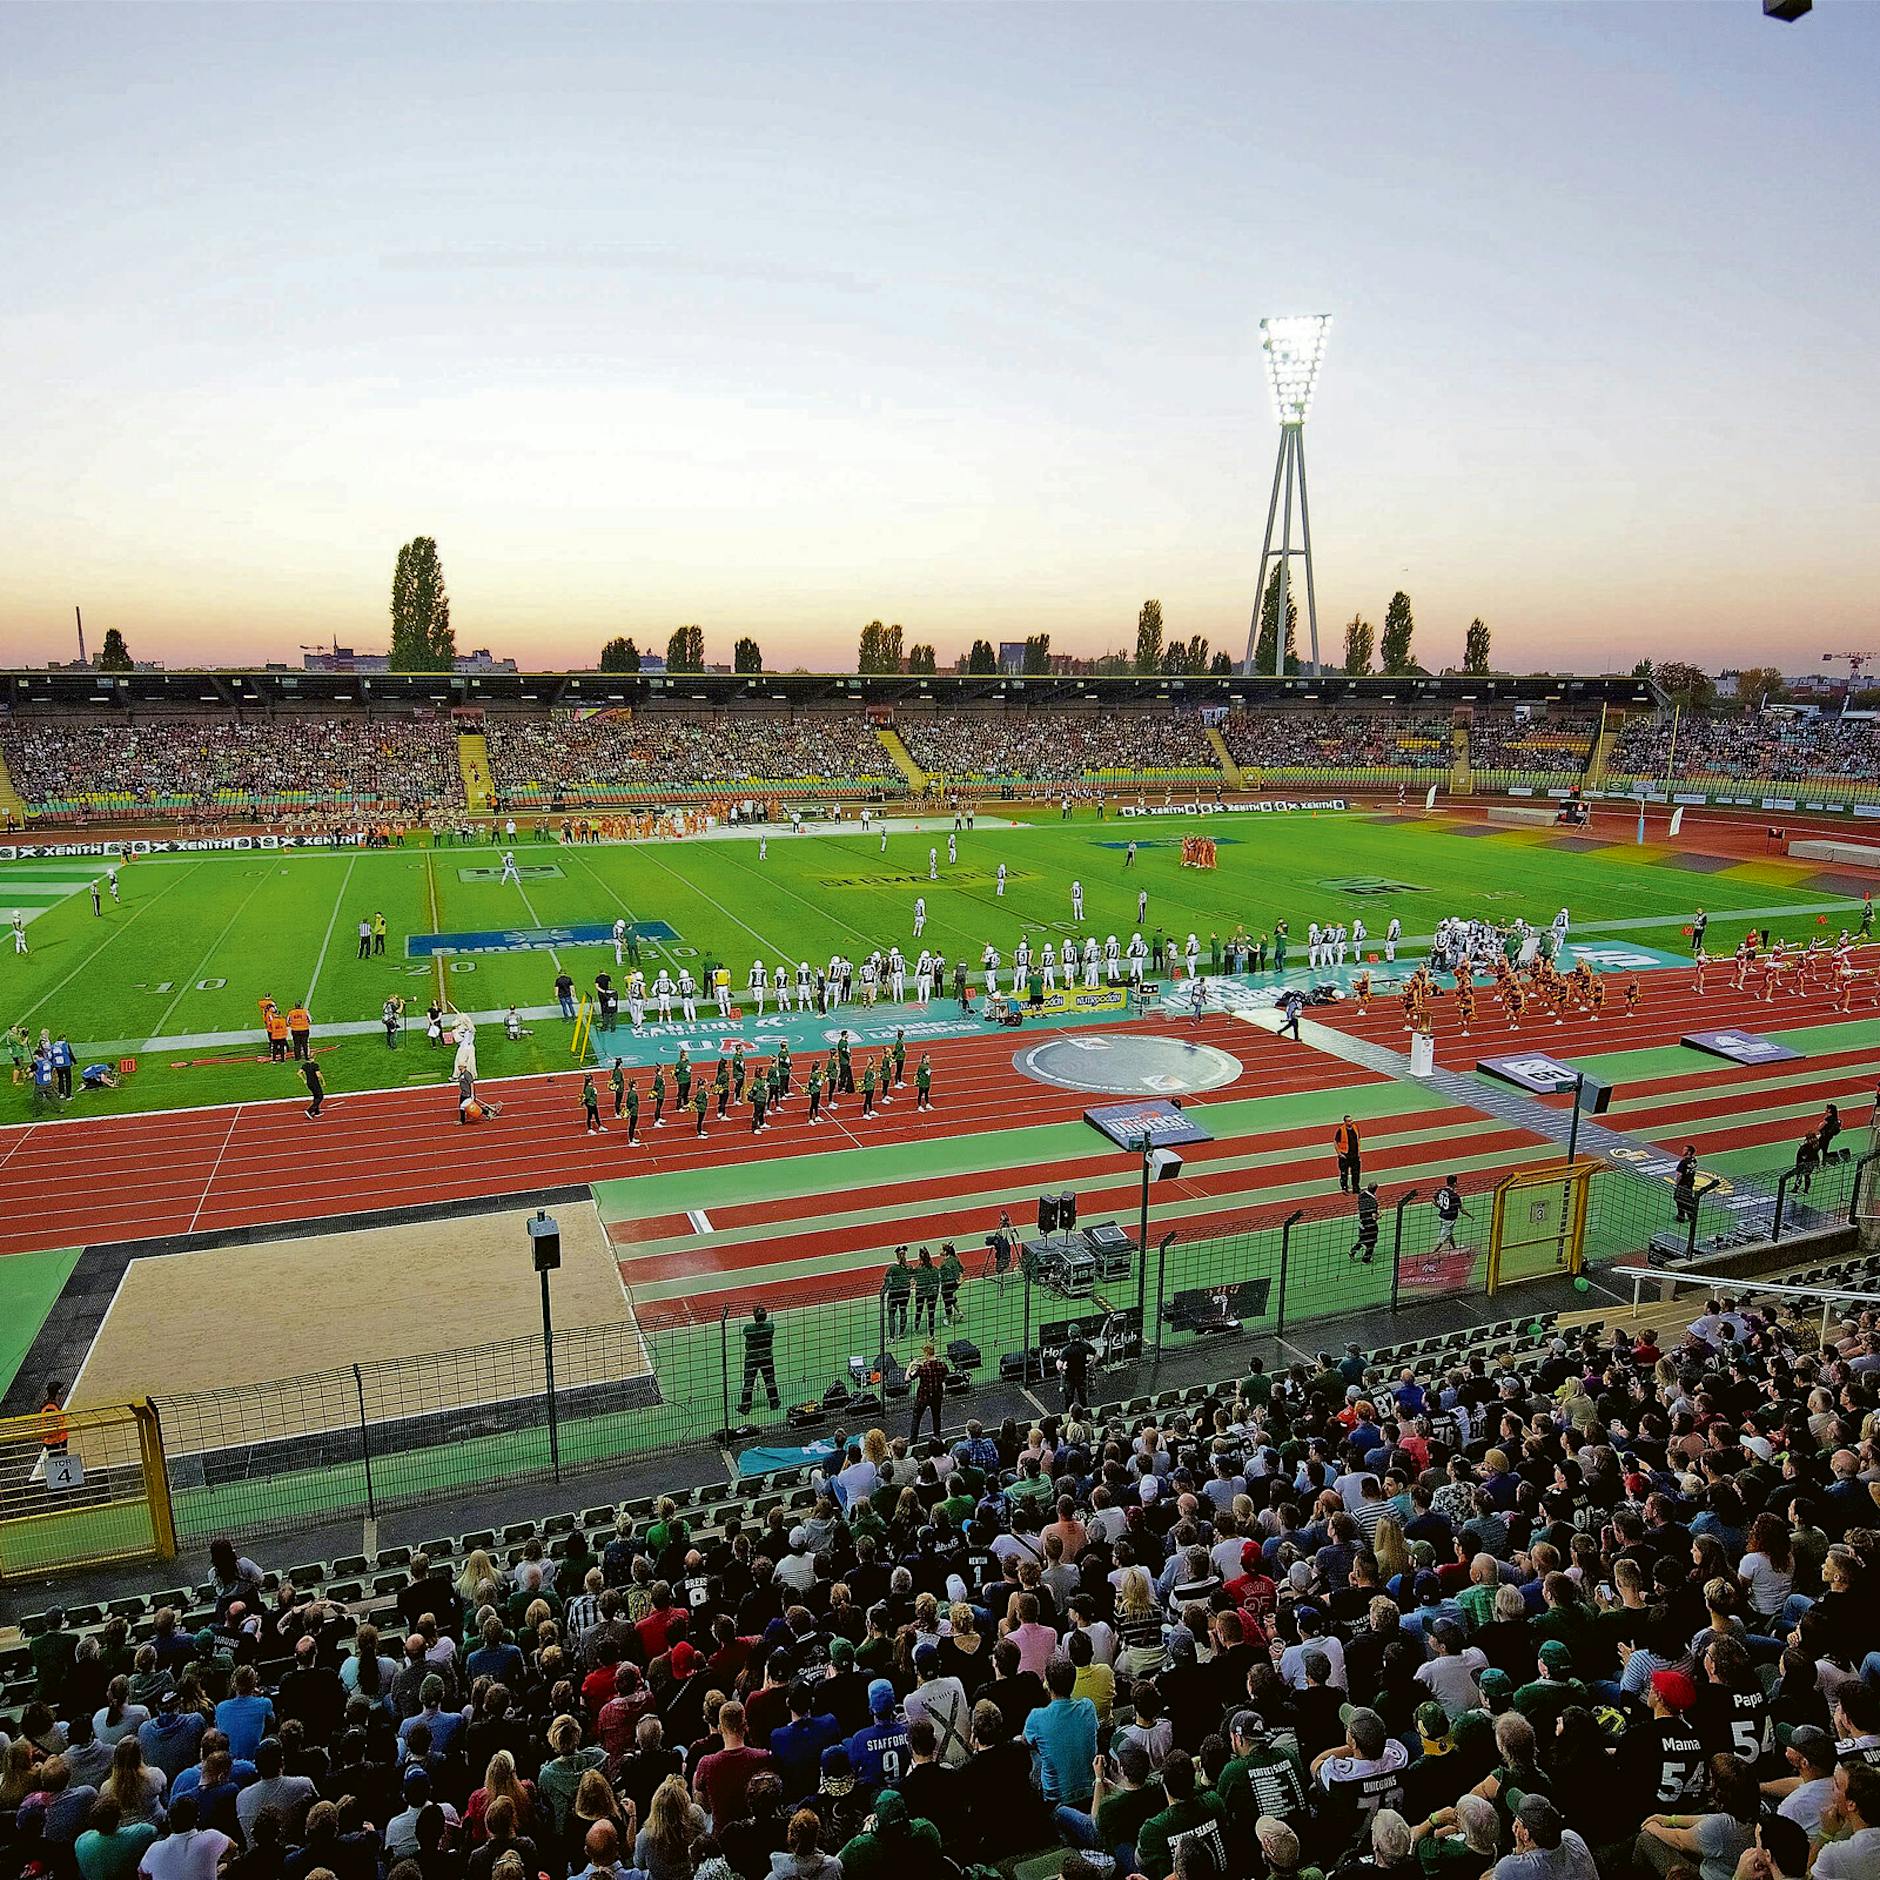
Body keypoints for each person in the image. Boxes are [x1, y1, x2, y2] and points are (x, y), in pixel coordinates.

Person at [739, 1307, 779, 1417]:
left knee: (749, 1382)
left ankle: (745, 1407)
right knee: (769, 1379)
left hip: (752, 1358)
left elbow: (745, 1332)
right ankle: (774, 1403)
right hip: (766, 1357)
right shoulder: (770, 1327)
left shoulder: (748, 1329)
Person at [908, 1344, 948, 1444]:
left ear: (926, 1353)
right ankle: (937, 1438)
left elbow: (908, 1378)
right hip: (936, 1396)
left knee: (916, 1418)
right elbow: (945, 1377)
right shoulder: (942, 1365)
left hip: (923, 1397)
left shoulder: (922, 1367)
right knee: (936, 1417)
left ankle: (913, 1442)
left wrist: (911, 1365)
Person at [1335, 1116, 1362, 1194]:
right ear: (1345, 1122)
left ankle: (1356, 1188)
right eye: (1349, 1121)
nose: (1351, 1122)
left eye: (1351, 1120)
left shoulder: (1355, 1127)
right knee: (1344, 1173)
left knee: (1356, 1173)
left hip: (1355, 1155)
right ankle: (1344, 1188)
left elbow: (1358, 1139)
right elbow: (1335, 1142)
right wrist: (1339, 1153)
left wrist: (1358, 1153)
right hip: (1345, 1156)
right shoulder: (1341, 1130)